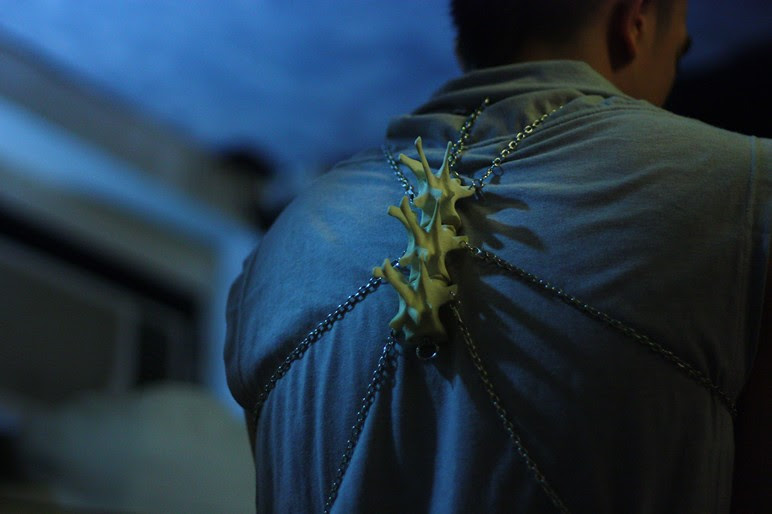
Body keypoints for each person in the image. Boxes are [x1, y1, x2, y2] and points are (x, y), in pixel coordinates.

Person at [224, 0, 771, 512]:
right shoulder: (747, 192)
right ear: (635, 22)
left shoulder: (272, 256)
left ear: (465, 43)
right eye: (678, 53)